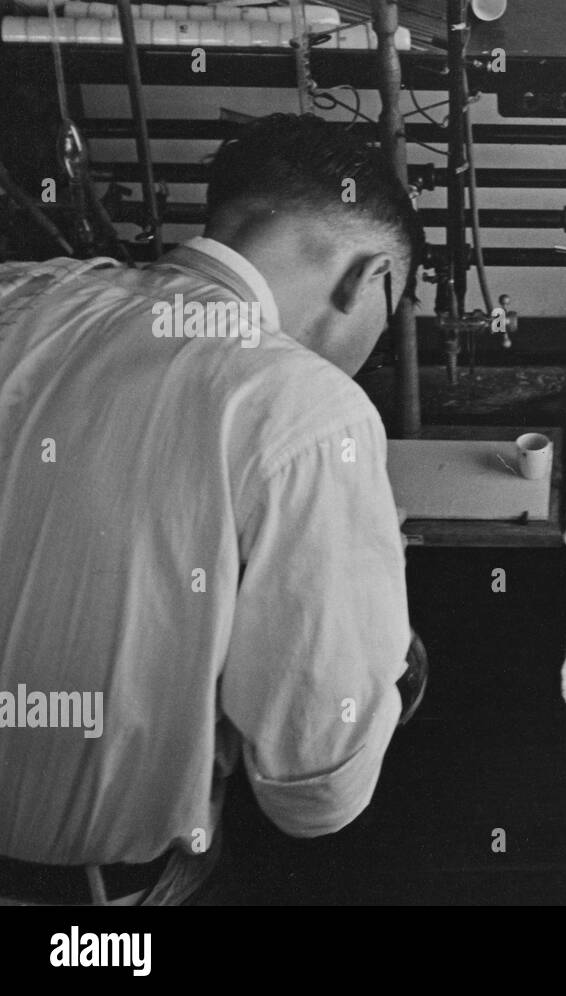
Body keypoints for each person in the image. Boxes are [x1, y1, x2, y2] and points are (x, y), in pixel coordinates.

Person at [0, 113, 428, 905]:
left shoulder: (24, 291)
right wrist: (387, 670)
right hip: (87, 911)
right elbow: (315, 789)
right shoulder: (309, 411)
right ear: (369, 280)